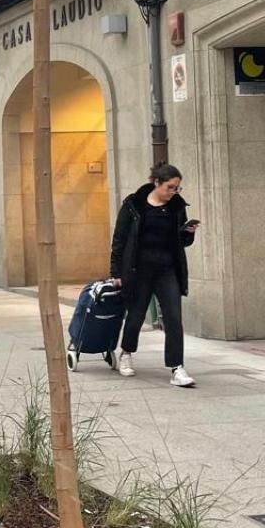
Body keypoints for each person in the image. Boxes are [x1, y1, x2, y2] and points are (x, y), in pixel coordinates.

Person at [109, 163, 201, 388]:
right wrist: (116, 272)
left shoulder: (177, 207)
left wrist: (188, 234)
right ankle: (126, 352)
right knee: (136, 316)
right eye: (170, 187)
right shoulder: (133, 205)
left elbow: (181, 242)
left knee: (173, 318)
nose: (174, 192)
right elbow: (119, 239)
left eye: (177, 188)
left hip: (167, 270)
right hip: (139, 270)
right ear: (157, 183)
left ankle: (176, 368)